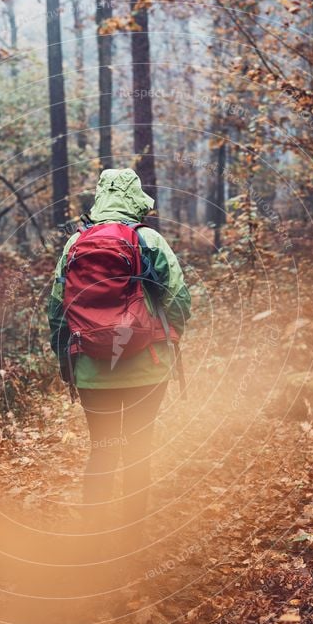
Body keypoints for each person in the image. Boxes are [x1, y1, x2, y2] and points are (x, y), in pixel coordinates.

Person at [47, 168, 191, 574]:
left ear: (99, 198)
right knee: (138, 449)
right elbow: (180, 298)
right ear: (136, 198)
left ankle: (93, 538)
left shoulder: (75, 243)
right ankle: (132, 543)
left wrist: (69, 362)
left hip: (93, 370)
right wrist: (167, 337)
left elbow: (57, 309)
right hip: (148, 367)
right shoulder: (149, 240)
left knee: (103, 449)